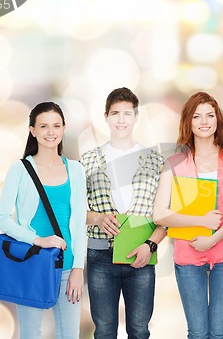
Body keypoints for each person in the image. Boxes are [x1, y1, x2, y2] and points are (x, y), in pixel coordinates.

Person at [153, 91, 223, 339]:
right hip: (188, 253)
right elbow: (159, 215)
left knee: (219, 332)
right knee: (197, 332)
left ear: (218, 120)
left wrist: (212, 238)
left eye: (210, 115)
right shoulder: (174, 162)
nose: (204, 121)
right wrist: (200, 221)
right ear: (188, 122)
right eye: (197, 116)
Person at [80, 87, 167, 339]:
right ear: (105, 116)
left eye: (127, 113)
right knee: (105, 330)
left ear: (136, 117)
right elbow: (74, 211)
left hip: (141, 255)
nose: (121, 119)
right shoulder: (88, 161)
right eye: (115, 113)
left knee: (139, 331)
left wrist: (149, 246)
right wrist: (96, 218)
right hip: (100, 256)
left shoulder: (155, 160)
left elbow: (165, 217)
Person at [0, 102, 87, 338]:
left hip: (67, 267)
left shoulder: (76, 170)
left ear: (64, 128)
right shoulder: (20, 169)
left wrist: (78, 268)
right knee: (31, 334)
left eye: (56, 126)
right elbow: (2, 219)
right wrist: (38, 240)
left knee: (69, 335)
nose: (51, 132)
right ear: (32, 130)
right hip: (32, 263)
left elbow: (79, 223)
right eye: (44, 126)